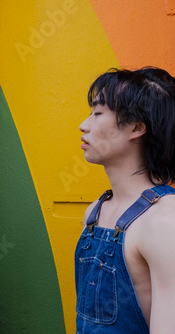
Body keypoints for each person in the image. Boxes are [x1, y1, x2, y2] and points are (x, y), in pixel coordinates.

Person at [75, 67, 175, 333]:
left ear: (136, 127)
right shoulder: (94, 214)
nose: (83, 125)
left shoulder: (164, 222)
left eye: (97, 114)